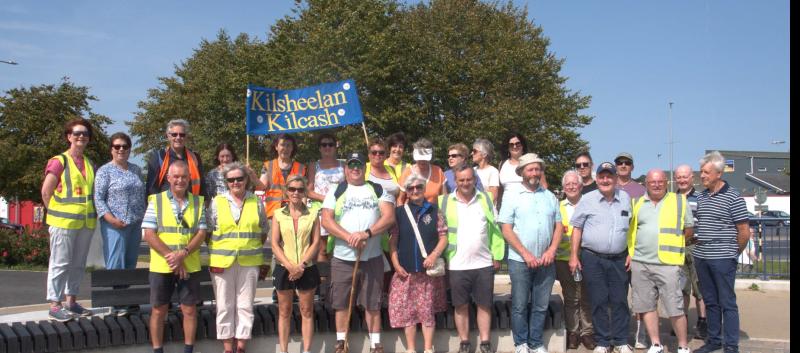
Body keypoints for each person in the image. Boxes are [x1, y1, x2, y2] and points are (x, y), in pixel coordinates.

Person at [321, 152, 395, 353]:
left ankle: (375, 344)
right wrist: (349, 237)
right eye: (351, 165)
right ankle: (341, 343)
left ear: (365, 168)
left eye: (359, 165)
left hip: (372, 258)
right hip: (343, 259)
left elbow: (389, 217)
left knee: (373, 302)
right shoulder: (336, 190)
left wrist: (367, 234)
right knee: (342, 303)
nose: (355, 168)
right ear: (346, 169)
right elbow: (326, 220)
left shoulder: (377, 189)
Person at [497, 154, 562, 353]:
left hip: (546, 261)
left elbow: (558, 226)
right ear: (522, 172)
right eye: (530, 169)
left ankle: (535, 342)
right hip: (520, 261)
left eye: (537, 169)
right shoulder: (512, 196)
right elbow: (505, 228)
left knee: (541, 305)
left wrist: (551, 250)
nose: (534, 173)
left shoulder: (550, 196)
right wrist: (526, 254)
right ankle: (521, 343)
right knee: (519, 305)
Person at [142, 161, 207, 353]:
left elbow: (201, 233)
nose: (180, 180)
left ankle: (188, 350)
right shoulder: (156, 200)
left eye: (184, 177)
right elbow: (149, 234)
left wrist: (183, 254)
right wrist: (173, 258)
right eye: (176, 176)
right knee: (158, 310)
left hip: (190, 264)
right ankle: (157, 350)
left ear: (189, 178)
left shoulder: (198, 202)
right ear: (168, 178)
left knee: (189, 309)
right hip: (162, 266)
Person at [568, 162, 633, 353]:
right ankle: (603, 341)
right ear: (597, 179)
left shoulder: (625, 198)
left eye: (609, 176)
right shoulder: (587, 200)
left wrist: (630, 252)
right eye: (602, 176)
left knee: (620, 300)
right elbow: (577, 229)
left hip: (619, 259)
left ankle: (620, 340)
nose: (605, 180)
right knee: (598, 301)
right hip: (592, 259)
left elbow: (630, 229)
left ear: (615, 178)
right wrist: (573, 256)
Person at [439, 166, 505, 353]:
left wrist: (497, 255)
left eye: (469, 179)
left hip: (483, 262)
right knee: (460, 306)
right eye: (461, 180)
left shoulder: (485, 199)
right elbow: (439, 233)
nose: (466, 183)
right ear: (456, 181)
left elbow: (495, 229)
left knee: (484, 304)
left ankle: (485, 342)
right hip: (456, 263)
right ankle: (465, 342)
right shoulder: (444, 201)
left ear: (474, 179)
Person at [627, 169, 694, 353]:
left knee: (675, 307)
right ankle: (655, 343)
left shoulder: (679, 201)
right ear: (646, 184)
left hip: (668, 264)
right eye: (652, 182)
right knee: (646, 306)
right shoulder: (637, 203)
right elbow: (632, 231)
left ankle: (682, 346)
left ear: (666, 182)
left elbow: (689, 229)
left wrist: (675, 244)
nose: (656, 185)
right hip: (641, 262)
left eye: (660, 181)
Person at [206, 162, 269, 353]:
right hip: (222, 262)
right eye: (231, 180)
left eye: (239, 179)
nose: (235, 182)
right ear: (226, 182)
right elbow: (208, 231)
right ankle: (227, 347)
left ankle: (241, 346)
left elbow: (263, 230)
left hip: (249, 261)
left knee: (245, 305)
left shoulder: (256, 202)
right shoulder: (217, 202)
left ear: (246, 180)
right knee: (225, 306)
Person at [692, 151, 750, 353]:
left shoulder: (733, 197)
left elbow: (744, 231)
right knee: (710, 301)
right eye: (701, 172)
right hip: (702, 257)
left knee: (727, 302)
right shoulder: (701, 196)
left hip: (723, 259)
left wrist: (733, 253)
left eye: (706, 172)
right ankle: (714, 340)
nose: (702, 176)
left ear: (718, 173)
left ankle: (731, 345)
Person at [41, 118, 98, 322]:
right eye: (77, 133)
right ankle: (54, 305)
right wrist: (55, 216)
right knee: (60, 263)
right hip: (63, 223)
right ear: (69, 137)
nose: (81, 136)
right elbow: (46, 191)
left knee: (78, 264)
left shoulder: (90, 164)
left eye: (85, 134)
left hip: (85, 223)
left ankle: (71, 302)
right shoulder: (60, 161)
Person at [388, 175, 448, 353]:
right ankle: (411, 349)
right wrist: (396, 264)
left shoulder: (434, 211)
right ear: (406, 191)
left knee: (427, 312)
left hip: (427, 273)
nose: (415, 191)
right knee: (408, 313)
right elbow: (393, 240)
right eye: (411, 188)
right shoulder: (399, 213)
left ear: (424, 189)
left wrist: (434, 256)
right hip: (405, 272)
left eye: (419, 187)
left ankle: (429, 349)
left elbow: (443, 237)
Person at [94, 132, 146, 316]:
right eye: (117, 146)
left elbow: (142, 195)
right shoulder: (104, 171)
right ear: (111, 149)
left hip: (134, 223)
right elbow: (98, 199)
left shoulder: (136, 170)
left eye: (125, 146)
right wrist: (111, 219)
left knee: (130, 262)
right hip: (114, 224)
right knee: (116, 263)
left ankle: (127, 298)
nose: (121, 149)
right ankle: (116, 302)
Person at [272, 175, 321, 353]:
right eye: (292, 189)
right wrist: (290, 266)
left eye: (300, 190)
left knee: (306, 311)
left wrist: (301, 265)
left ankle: (306, 350)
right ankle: (284, 350)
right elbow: (275, 244)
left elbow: (316, 242)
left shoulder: (313, 214)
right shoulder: (278, 214)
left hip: (306, 268)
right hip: (284, 268)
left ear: (305, 192)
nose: (296, 193)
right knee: (284, 311)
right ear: (286, 191)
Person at [554, 170, 595, 350]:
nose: (571, 187)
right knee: (571, 297)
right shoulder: (557, 207)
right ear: (563, 188)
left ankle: (587, 332)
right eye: (567, 184)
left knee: (586, 296)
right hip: (564, 259)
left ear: (581, 186)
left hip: (587, 258)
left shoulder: (590, 205)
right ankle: (573, 331)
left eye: (574, 183)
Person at [613, 152, 646, 348]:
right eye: (620, 163)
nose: (623, 165)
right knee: (618, 296)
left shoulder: (641, 190)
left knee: (641, 296)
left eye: (627, 163)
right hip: (617, 250)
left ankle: (641, 335)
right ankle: (620, 334)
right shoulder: (609, 186)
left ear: (632, 167)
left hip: (639, 250)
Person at [674, 164, 708, 339]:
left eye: (684, 176)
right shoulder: (671, 198)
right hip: (678, 247)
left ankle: (703, 322)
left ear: (691, 178)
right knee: (681, 288)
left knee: (699, 287)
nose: (681, 180)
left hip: (696, 246)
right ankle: (683, 320)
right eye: (678, 177)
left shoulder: (701, 197)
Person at [307, 133, 344, 262]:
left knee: (338, 247)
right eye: (324, 145)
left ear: (335, 147)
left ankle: (336, 278)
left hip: (340, 210)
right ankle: (323, 280)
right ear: (319, 148)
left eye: (331, 144)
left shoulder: (343, 165)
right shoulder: (313, 165)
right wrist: (327, 200)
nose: (327, 147)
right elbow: (309, 191)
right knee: (322, 248)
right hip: (321, 210)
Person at [145, 119, 206, 197]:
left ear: (186, 136)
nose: (178, 137)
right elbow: (151, 188)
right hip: (165, 206)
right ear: (168, 136)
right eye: (174, 134)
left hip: (191, 206)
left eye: (182, 135)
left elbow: (202, 186)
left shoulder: (195, 157)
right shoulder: (159, 157)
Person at [259, 133, 307, 219]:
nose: (285, 148)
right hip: (272, 215)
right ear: (276, 147)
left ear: (292, 148)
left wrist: (303, 214)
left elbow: (303, 194)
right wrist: (251, 175)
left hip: (295, 214)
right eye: (282, 145)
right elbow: (261, 186)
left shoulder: (301, 167)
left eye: (288, 145)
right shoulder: (268, 165)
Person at [397, 138, 446, 205]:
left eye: (425, 158)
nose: (422, 160)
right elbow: (400, 199)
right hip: (412, 213)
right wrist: (402, 214)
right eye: (420, 158)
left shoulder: (438, 171)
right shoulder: (407, 172)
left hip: (434, 213)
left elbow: (444, 198)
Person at [472, 138, 500, 205]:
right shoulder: (472, 170)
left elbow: (493, 196)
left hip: (486, 210)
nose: (472, 153)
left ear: (484, 154)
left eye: (474, 151)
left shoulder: (493, 171)